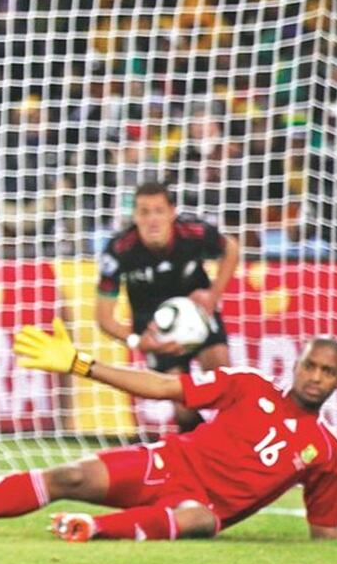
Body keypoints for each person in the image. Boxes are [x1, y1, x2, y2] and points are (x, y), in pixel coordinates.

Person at [0, 319, 337, 543]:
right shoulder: (247, 386)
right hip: (166, 464)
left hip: (199, 507)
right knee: (69, 476)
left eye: (326, 371)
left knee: (199, 523)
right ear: (296, 365)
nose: (315, 376)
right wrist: (81, 364)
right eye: (309, 365)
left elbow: (325, 529)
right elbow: (162, 386)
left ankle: (93, 529)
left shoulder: (327, 451)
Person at [96, 181, 240, 431]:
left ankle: (240, 446)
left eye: (159, 211)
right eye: (144, 212)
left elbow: (232, 248)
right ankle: (201, 451)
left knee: (222, 375)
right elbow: (104, 318)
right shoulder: (119, 250)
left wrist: (213, 295)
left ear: (172, 212)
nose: (152, 220)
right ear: (135, 216)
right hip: (154, 329)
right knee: (183, 409)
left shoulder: (192, 232)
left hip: (197, 314)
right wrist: (138, 341)